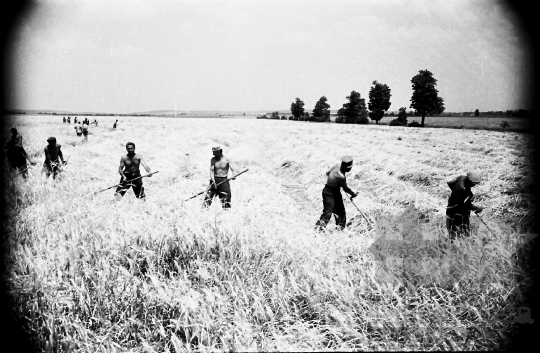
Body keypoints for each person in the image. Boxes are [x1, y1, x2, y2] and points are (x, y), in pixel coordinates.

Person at [315, 156, 358, 231]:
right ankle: (318, 230)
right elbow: (346, 188)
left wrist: (334, 182)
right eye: (349, 168)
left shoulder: (336, 166)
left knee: (341, 213)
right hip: (329, 193)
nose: (350, 169)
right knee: (327, 213)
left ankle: (340, 230)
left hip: (334, 191)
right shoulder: (341, 176)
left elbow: (327, 173)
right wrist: (353, 194)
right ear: (346, 167)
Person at [446, 171, 484, 240]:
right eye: (473, 184)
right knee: (457, 225)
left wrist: (457, 194)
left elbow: (450, 183)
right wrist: (476, 208)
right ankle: (456, 240)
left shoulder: (462, 177)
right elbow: (467, 205)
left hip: (454, 203)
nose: (474, 185)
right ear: (469, 181)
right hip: (455, 209)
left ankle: (463, 236)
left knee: (462, 223)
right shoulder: (462, 189)